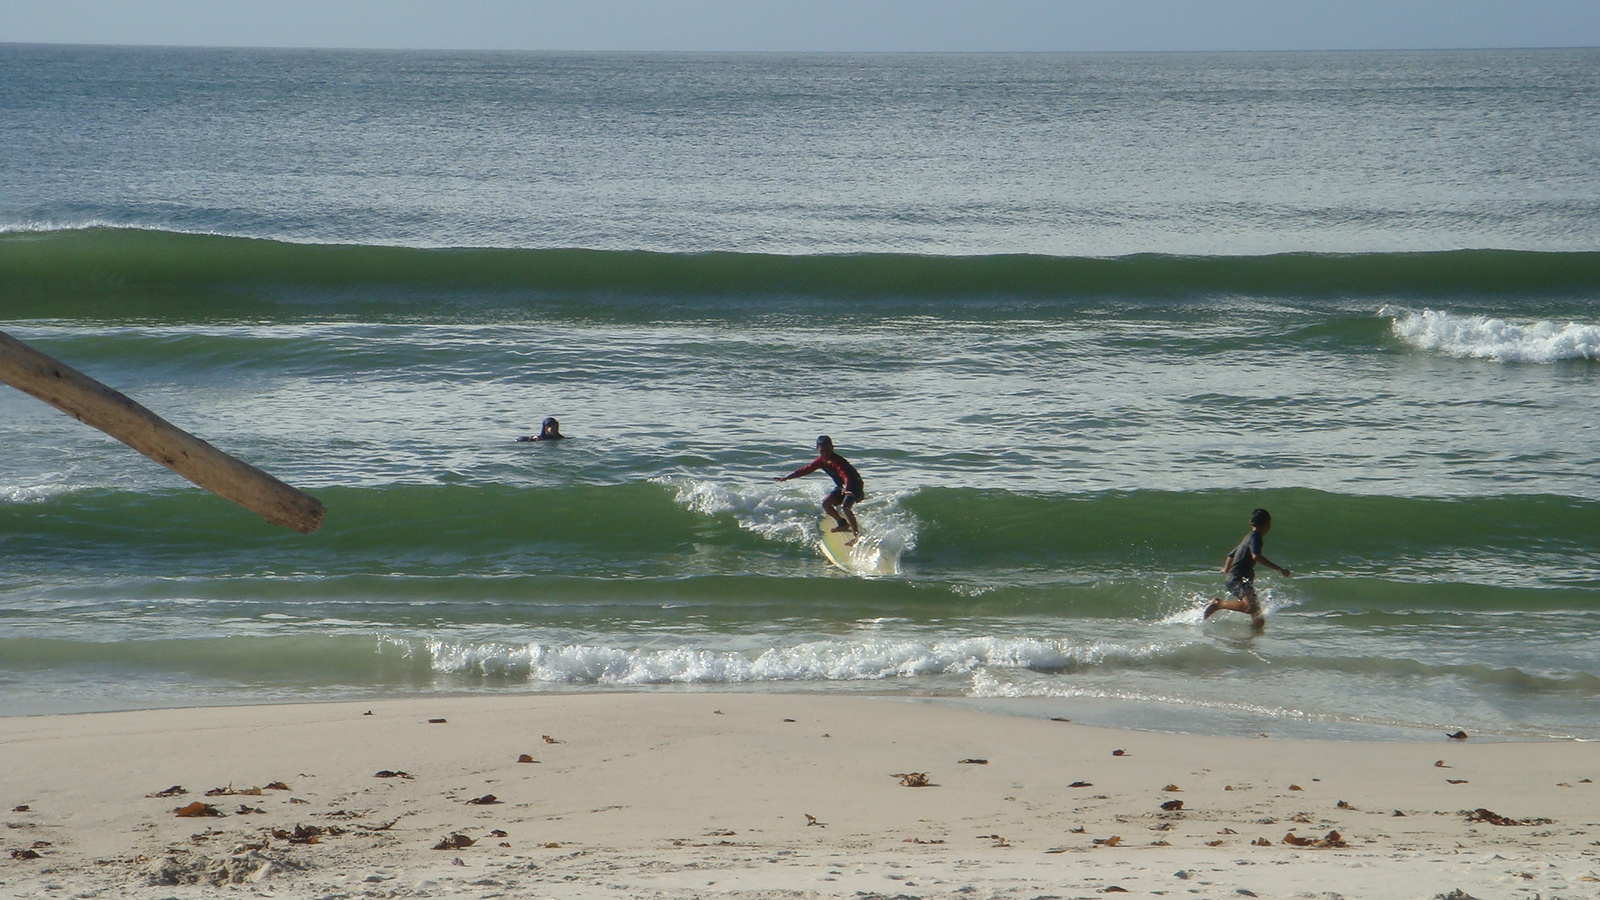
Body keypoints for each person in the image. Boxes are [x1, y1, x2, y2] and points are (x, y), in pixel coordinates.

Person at [1204, 507, 1291, 631]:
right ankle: (1218, 604)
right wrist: (1278, 569)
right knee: (1252, 608)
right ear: (1267, 523)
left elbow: (1230, 555)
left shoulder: (1249, 536)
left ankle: (1249, 642)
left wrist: (1226, 568)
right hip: (1237, 578)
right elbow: (1256, 556)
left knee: (1258, 618)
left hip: (1238, 578)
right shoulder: (1255, 537)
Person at [775, 435, 864, 541]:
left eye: (828, 450)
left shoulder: (837, 461)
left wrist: (847, 488)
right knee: (825, 503)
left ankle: (856, 536)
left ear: (832, 448)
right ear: (817, 449)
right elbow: (805, 469)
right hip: (842, 487)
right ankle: (842, 523)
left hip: (854, 485)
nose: (825, 453)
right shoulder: (820, 461)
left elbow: (845, 475)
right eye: (822, 451)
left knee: (846, 507)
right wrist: (787, 477)